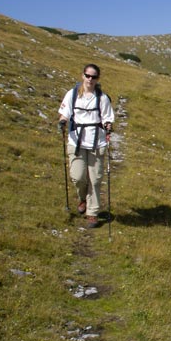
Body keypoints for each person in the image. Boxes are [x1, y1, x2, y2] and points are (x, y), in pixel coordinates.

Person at [58, 64, 115, 228]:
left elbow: (107, 118)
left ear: (98, 79)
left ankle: (92, 212)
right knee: (78, 177)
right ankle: (83, 198)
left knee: (95, 179)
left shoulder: (102, 98)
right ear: (83, 76)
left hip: (97, 142)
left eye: (94, 77)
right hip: (76, 141)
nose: (90, 79)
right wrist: (62, 121)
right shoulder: (73, 94)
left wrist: (108, 125)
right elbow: (65, 112)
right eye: (88, 76)